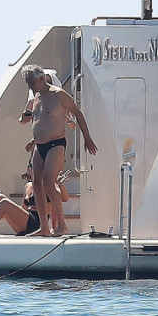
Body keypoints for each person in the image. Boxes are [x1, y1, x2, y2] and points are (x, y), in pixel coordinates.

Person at [21, 64, 97, 236]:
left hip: (56, 143)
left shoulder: (58, 95)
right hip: (39, 145)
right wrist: (33, 140)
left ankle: (61, 225)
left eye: (32, 83)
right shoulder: (37, 97)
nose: (30, 87)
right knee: (37, 184)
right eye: (28, 84)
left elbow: (77, 114)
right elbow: (41, 121)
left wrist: (87, 138)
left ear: (41, 79)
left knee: (49, 182)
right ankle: (44, 227)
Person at [0, 165, 70, 236]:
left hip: (38, 223)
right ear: (30, 171)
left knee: (4, 203)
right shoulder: (29, 186)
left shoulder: (49, 186)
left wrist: (60, 186)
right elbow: (23, 209)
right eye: (32, 169)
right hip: (27, 220)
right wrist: (14, 213)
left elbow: (64, 198)